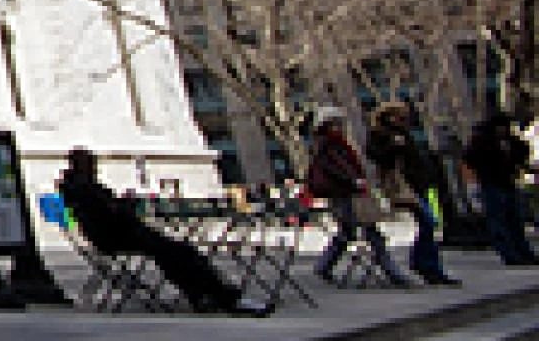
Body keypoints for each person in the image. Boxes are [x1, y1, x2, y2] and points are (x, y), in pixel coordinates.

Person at [58, 147, 272, 315]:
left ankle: (204, 295)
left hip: (120, 236)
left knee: (175, 254)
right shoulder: (86, 189)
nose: (95, 166)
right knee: (180, 252)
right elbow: (110, 214)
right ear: (83, 165)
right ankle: (224, 296)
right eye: (91, 162)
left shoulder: (77, 188)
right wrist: (126, 205)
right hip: (122, 237)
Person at [305, 108, 414, 287]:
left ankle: (325, 265)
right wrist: (353, 180)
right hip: (344, 193)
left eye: (339, 123)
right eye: (333, 123)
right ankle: (392, 272)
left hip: (350, 193)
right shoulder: (327, 145)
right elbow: (336, 168)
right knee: (365, 231)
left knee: (351, 232)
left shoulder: (338, 144)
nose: (338, 127)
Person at [366, 102, 460, 285]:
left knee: (428, 223)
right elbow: (376, 156)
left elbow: (415, 160)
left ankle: (426, 263)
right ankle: (425, 264)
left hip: (416, 185)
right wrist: (394, 146)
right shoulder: (381, 135)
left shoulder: (405, 135)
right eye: (399, 117)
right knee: (427, 221)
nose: (403, 121)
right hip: (401, 186)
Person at [464, 112, 539, 265]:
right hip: (492, 183)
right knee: (498, 221)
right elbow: (471, 160)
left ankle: (524, 252)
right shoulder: (483, 141)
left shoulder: (511, 141)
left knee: (515, 221)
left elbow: (520, 155)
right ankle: (510, 254)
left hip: (508, 182)